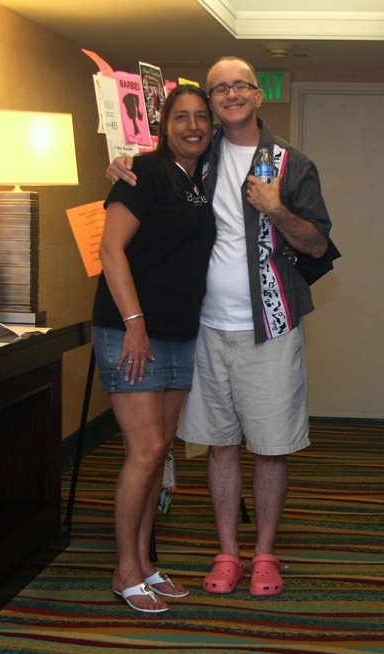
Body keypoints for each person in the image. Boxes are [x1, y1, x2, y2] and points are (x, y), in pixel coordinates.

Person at [106, 56, 333, 598]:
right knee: (219, 444)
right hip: (202, 328)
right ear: (211, 103)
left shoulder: (290, 163)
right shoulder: (197, 159)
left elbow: (318, 244)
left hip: (270, 326)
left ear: (257, 95)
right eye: (219, 89)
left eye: (239, 86)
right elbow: (151, 192)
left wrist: (277, 210)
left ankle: (265, 555)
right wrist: (123, 166)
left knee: (270, 446)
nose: (230, 95)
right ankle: (228, 552)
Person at [93, 84, 216, 612]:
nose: (192, 126)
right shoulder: (143, 172)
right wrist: (135, 323)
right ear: (164, 126)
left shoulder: (200, 181)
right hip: (131, 332)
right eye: (181, 117)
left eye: (201, 117)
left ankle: (144, 563)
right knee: (144, 451)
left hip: (180, 333)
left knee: (157, 452)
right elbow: (110, 249)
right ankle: (125, 570)